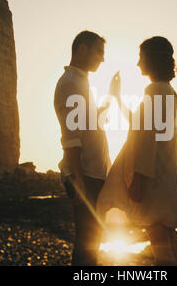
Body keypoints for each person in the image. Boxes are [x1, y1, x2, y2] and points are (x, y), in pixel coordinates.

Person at [97, 36, 177, 265]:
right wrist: (117, 99)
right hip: (163, 176)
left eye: (141, 57)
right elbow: (141, 127)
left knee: (162, 249)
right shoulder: (166, 91)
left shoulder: (156, 92)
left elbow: (148, 141)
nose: (138, 64)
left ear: (152, 59)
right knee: (169, 244)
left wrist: (138, 179)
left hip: (153, 180)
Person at [54, 30, 111, 266]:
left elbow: (84, 125)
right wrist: (78, 181)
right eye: (99, 51)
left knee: (91, 241)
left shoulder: (80, 82)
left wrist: (105, 104)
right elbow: (71, 139)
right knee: (87, 244)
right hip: (85, 175)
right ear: (82, 50)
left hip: (92, 174)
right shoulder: (70, 83)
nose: (103, 58)